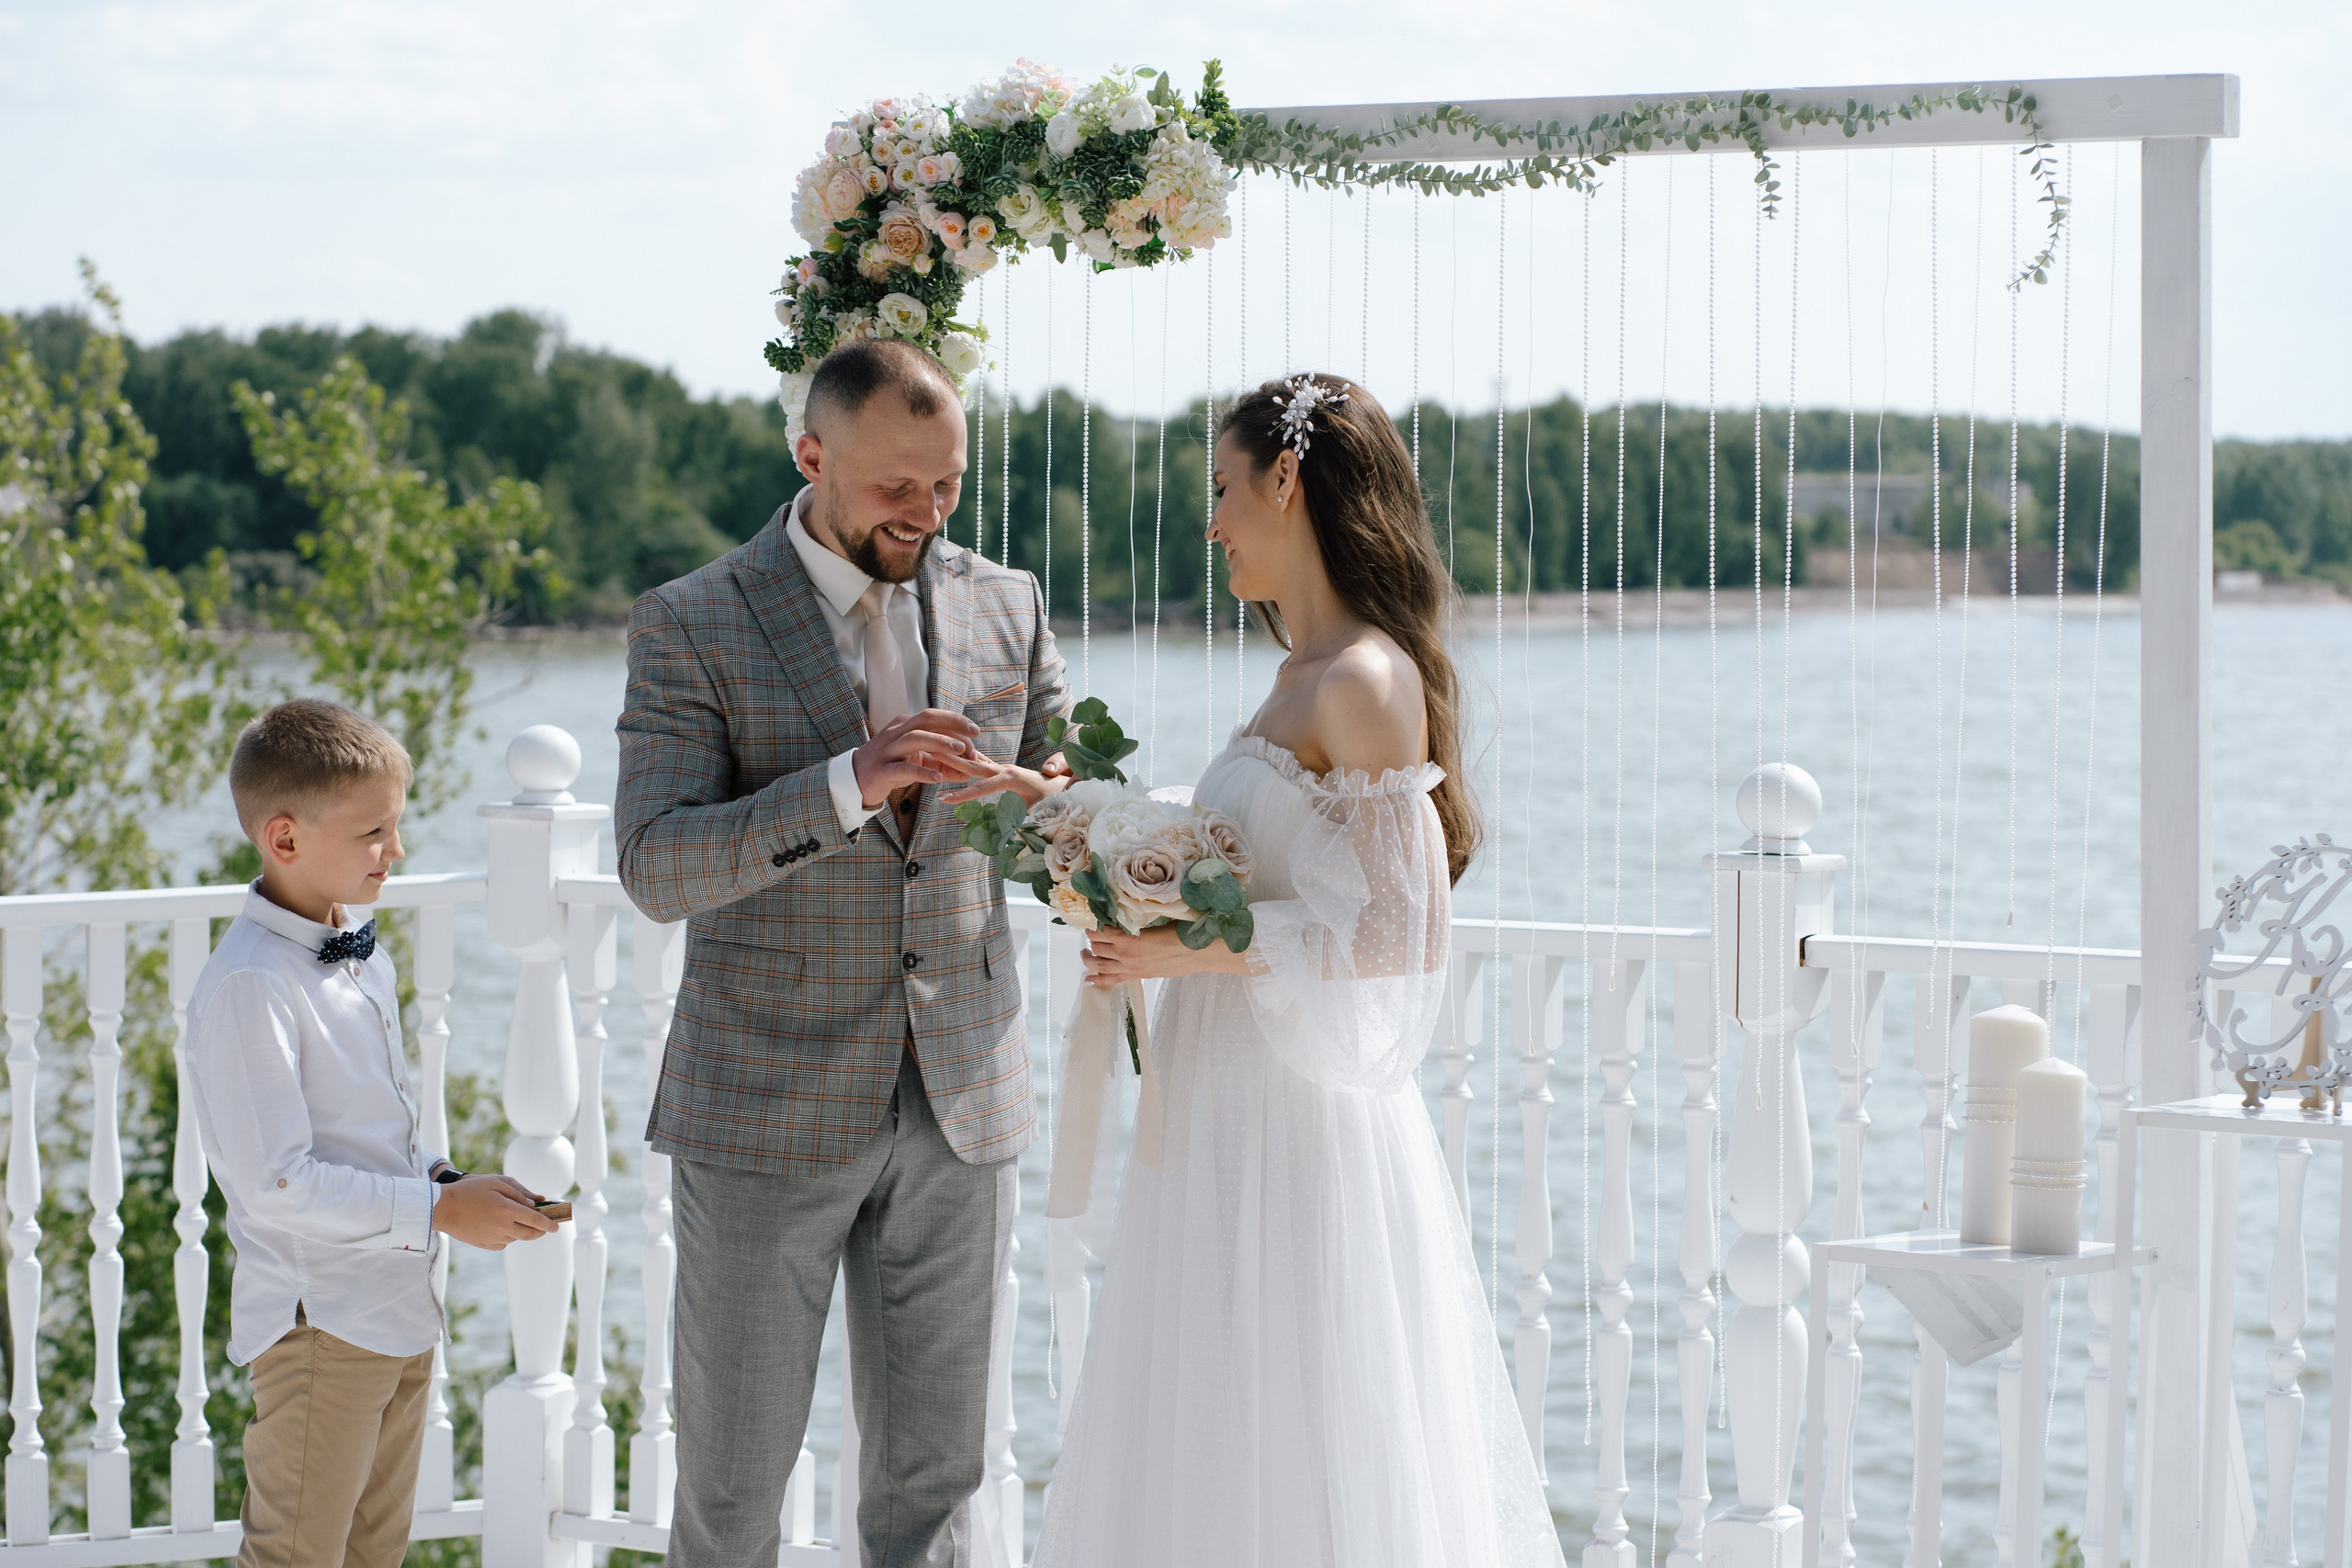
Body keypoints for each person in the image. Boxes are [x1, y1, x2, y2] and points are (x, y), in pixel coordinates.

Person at [1034, 374, 1567, 1568]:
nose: (1212, 522)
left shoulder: (1364, 678)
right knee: (1211, 1418)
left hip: (1297, 1114)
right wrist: (1099, 835)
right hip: (1219, 1094)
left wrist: (1185, 945)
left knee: (1300, 1413)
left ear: (1286, 478)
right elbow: (1267, 867)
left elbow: (1396, 933)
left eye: (1223, 490)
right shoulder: (1291, 675)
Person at [615, 336, 1071, 1568]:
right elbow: (655, 863)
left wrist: (1040, 791)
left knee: (935, 1490)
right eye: (894, 489)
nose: (926, 514)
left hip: (963, 1093)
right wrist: (846, 783)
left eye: (948, 484)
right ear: (811, 457)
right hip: (762, 1105)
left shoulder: (1007, 602)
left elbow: (1076, 796)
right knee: (730, 1493)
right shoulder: (692, 621)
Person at [187, 699, 559, 1568]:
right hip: (323, 1325)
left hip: (397, 1311)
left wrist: (450, 1182)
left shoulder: (358, 947)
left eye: (397, 825)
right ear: (284, 840)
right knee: (296, 1555)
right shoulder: (250, 987)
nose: (396, 851)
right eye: (375, 832)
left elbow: (368, 1130)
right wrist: (435, 1211)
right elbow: (278, 1183)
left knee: (372, 1553)